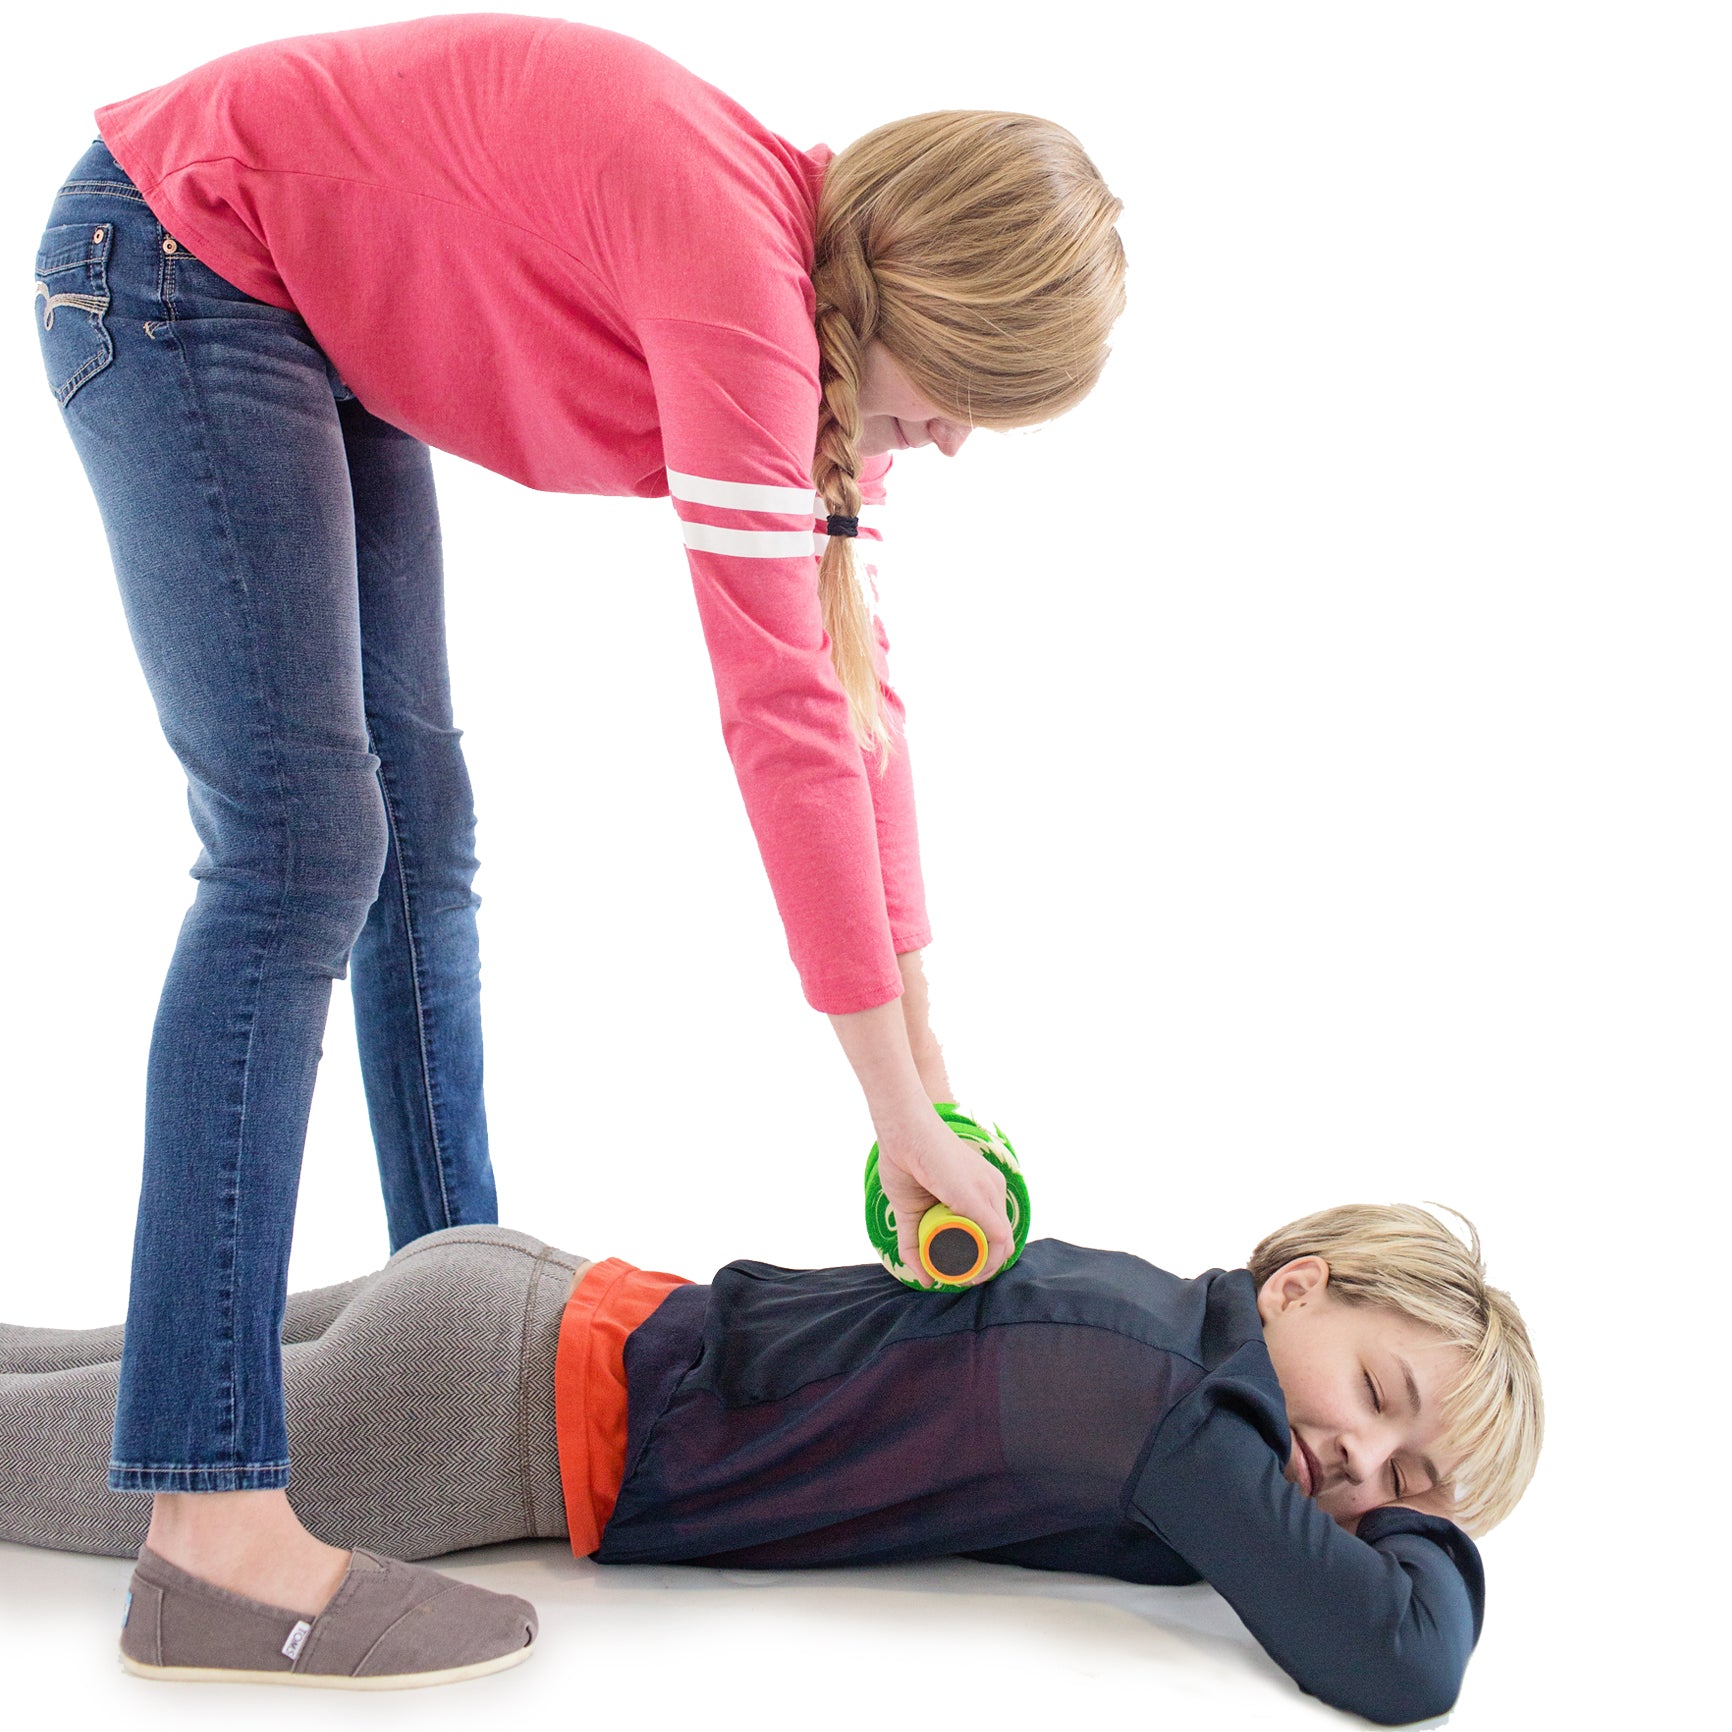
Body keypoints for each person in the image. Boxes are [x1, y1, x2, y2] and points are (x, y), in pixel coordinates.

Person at [27, 13, 1127, 1643]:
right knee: (300, 848)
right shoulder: (748, 288)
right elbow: (777, 728)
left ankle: (443, 1315)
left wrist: (936, 1088)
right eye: (964, 390)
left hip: (296, 310)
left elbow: (856, 715)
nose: (958, 439)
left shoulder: (827, 336)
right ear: (907, 286)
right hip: (175, 255)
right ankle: (210, 1524)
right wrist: (891, 1112)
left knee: (419, 826)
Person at [0, 1200, 1543, 1720]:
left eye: (1413, 1481)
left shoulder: (1161, 1335)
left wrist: (1395, 1506)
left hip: (518, 1310)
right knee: (28, 1458)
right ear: (1294, 1288)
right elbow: (1398, 1661)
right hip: (486, 1417)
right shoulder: (1175, 1416)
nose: (1361, 1459)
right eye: (1382, 1391)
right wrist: (1437, 1547)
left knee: (63, 1375)